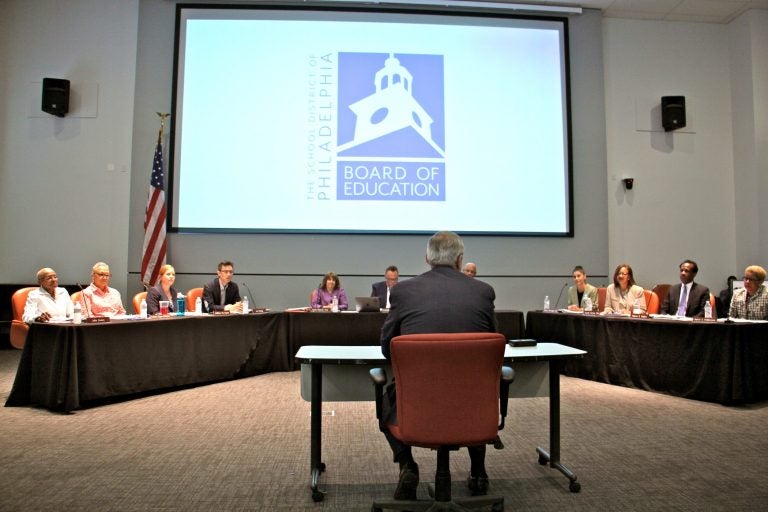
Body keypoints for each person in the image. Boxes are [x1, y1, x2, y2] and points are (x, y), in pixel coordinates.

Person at [380, 231, 496, 500]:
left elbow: (387, 348)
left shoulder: (403, 292)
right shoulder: (483, 292)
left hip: (417, 403)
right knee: (474, 390)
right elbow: (491, 346)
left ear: (427, 259)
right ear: (460, 259)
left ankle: (407, 465)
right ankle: (478, 471)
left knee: (386, 399)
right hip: (473, 404)